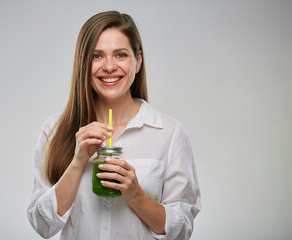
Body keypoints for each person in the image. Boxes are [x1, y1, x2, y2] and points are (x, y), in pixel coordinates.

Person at [27, 11, 201, 240]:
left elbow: (181, 232)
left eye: (120, 55)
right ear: (83, 63)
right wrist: (78, 161)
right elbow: (42, 225)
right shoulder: (54, 129)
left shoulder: (170, 134)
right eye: (97, 56)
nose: (109, 66)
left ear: (138, 61)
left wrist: (136, 194)